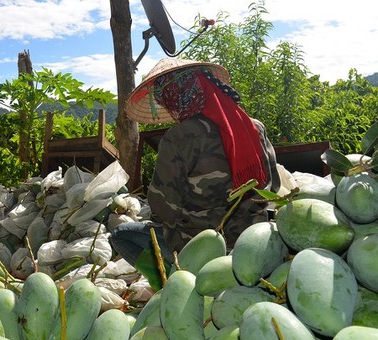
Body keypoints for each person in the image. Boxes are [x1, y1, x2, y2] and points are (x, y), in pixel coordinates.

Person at [110, 58, 280, 267]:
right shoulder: (255, 128)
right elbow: (274, 186)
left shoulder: (180, 137)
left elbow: (163, 209)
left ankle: (173, 281)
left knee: (120, 234)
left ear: (175, 97)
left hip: (200, 247)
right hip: (253, 241)